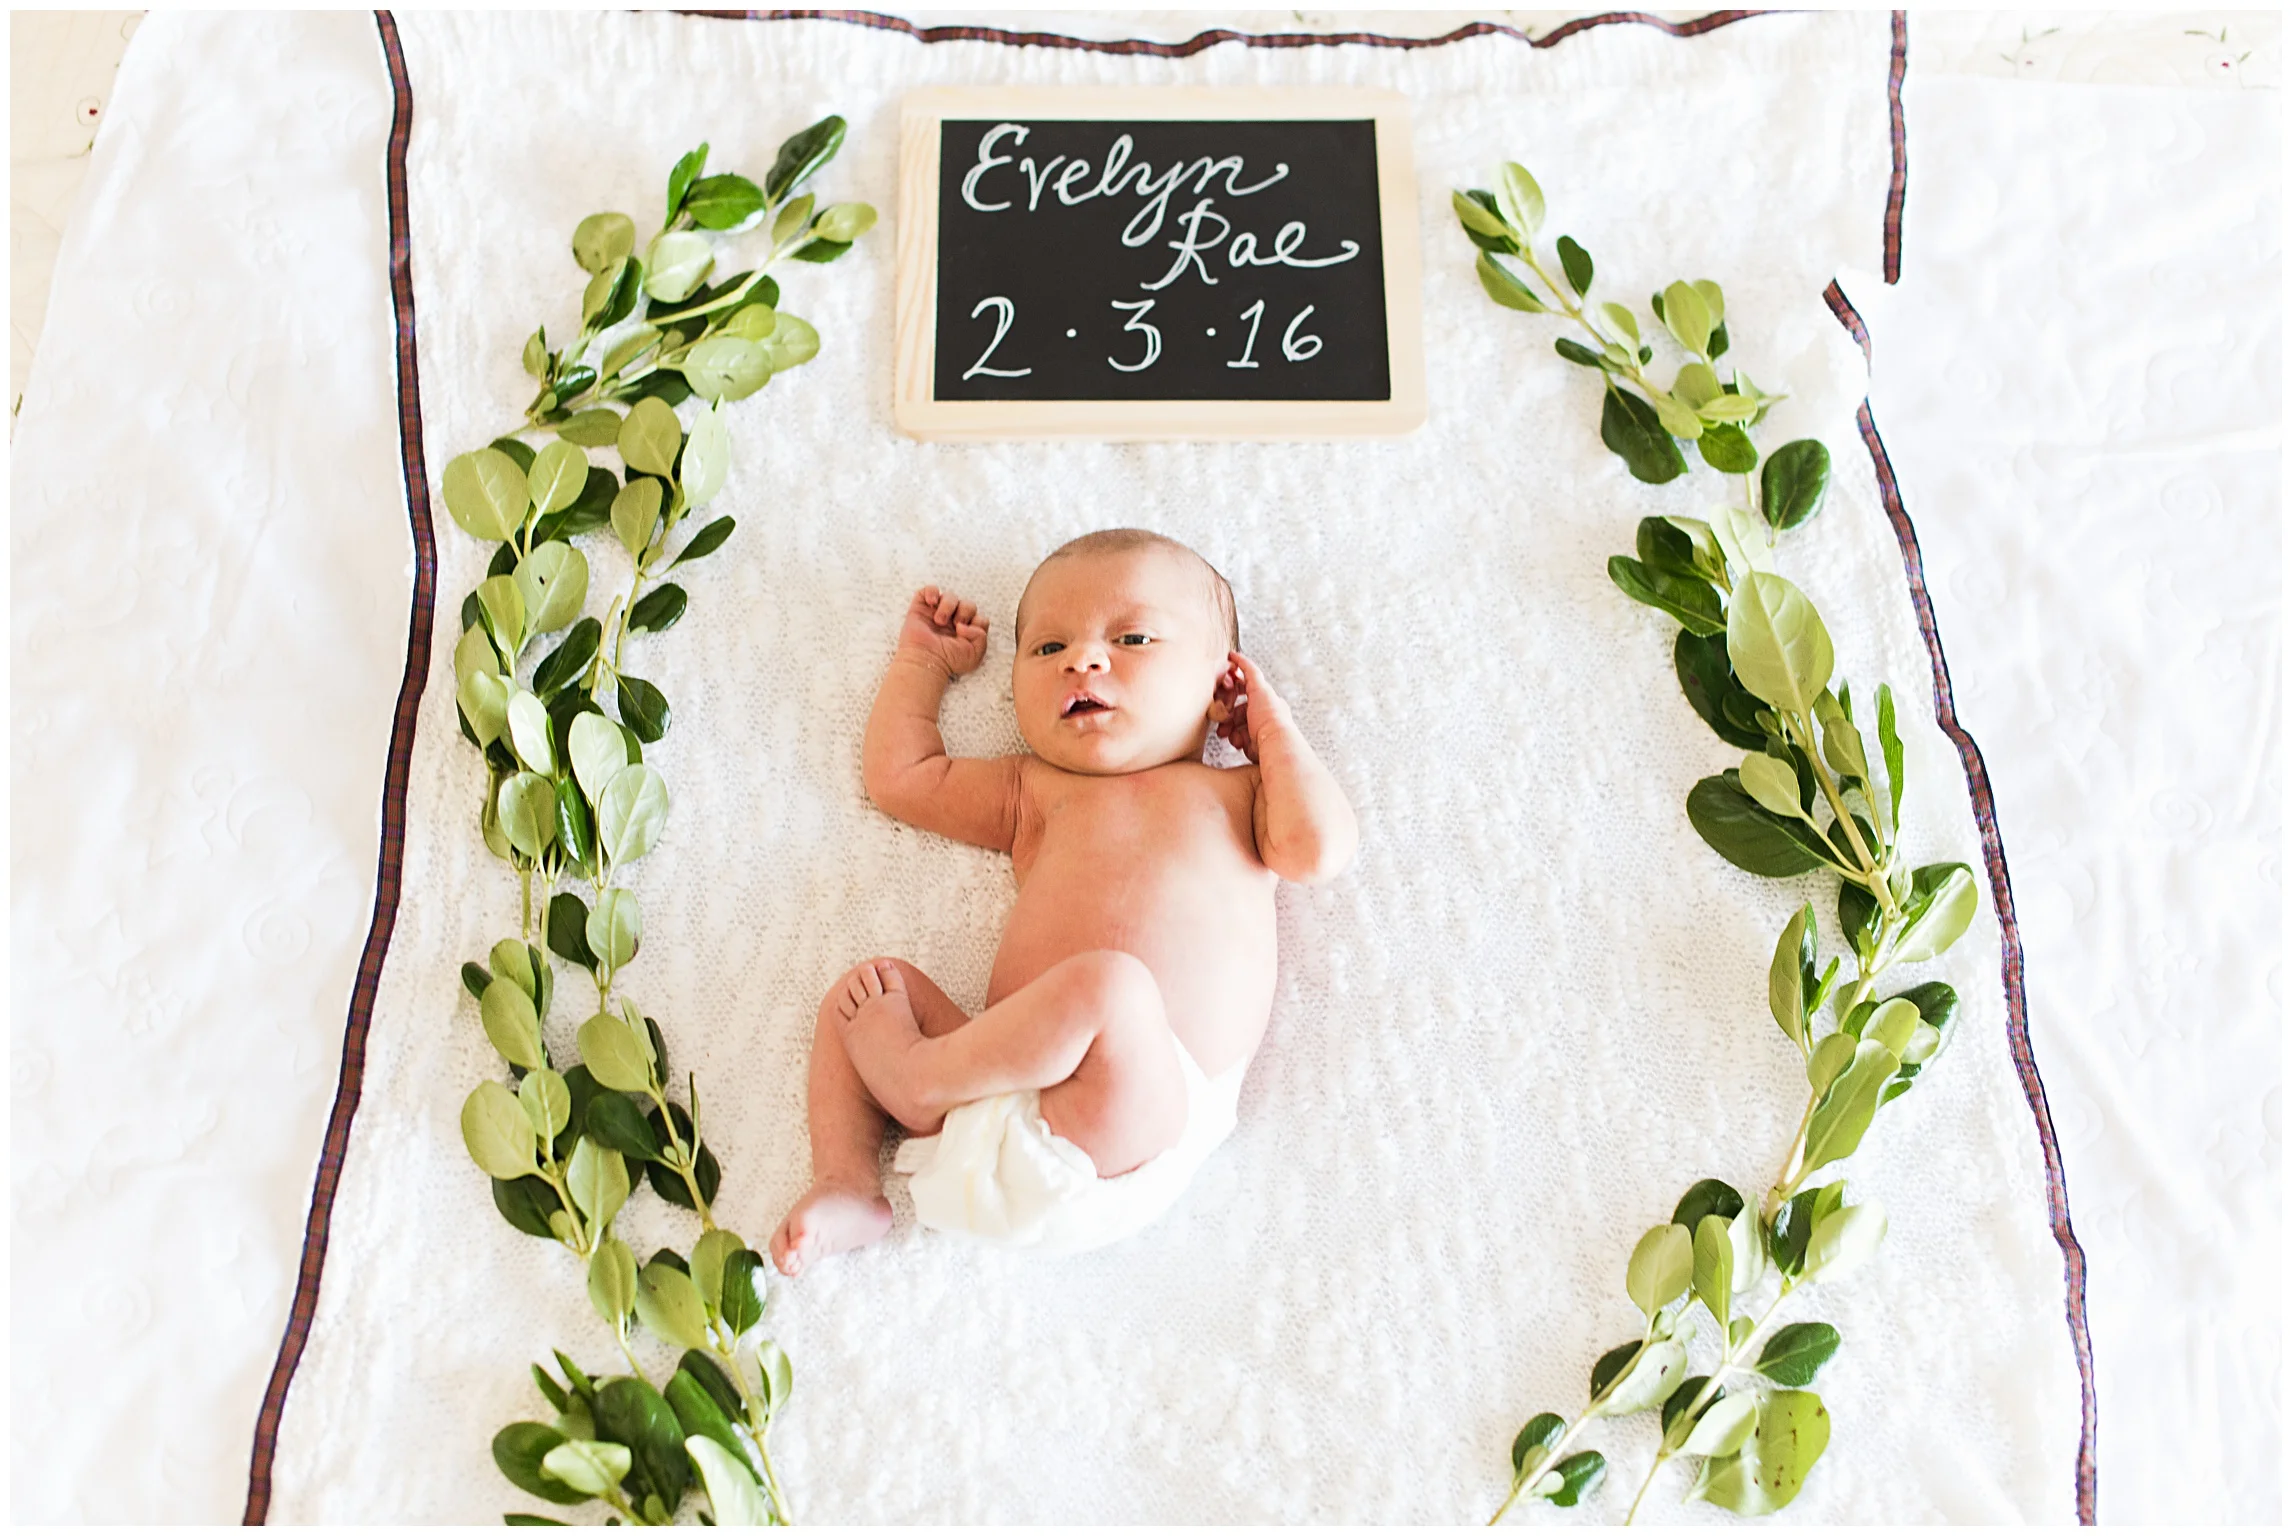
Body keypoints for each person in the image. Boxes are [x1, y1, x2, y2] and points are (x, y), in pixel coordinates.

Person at [770, 528, 1357, 1271]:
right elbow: (903, 778)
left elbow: (1320, 851)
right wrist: (922, 664)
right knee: (866, 992)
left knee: (1111, 987)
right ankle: (848, 1184)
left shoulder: (1242, 792)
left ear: (1222, 686)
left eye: (1133, 637)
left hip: (1141, 1114)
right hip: (997, 1103)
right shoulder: (1034, 791)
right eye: (1047, 649)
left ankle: (919, 1079)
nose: (1082, 659)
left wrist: (1272, 732)